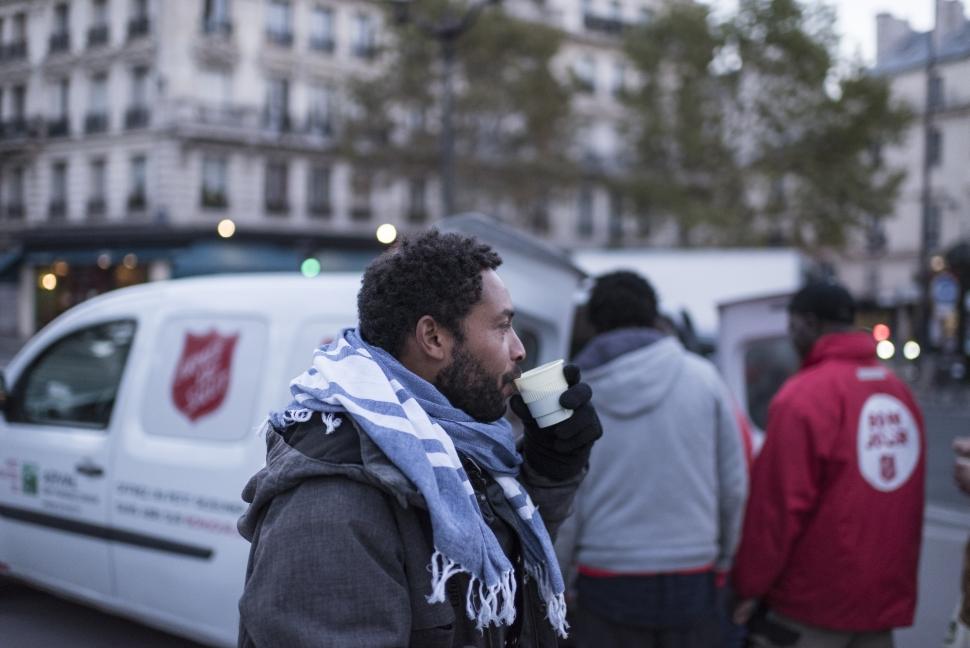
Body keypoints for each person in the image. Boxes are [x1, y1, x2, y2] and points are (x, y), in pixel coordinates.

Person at [236, 230, 602, 647]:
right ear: (433, 338)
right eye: (502, 327)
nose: (518, 350)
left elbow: (497, 575)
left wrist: (552, 467)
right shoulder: (334, 501)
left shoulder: (454, 447)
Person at [554, 270, 749, 648]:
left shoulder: (572, 397)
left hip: (604, 578)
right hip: (693, 573)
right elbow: (734, 486)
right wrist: (723, 560)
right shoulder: (705, 379)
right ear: (653, 315)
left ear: (592, 322)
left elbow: (564, 493)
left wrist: (559, 580)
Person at [732, 281, 926, 648]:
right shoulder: (898, 391)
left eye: (791, 328)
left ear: (807, 323)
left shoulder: (803, 396)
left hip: (810, 608)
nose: (790, 339)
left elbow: (775, 511)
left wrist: (747, 586)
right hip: (880, 605)